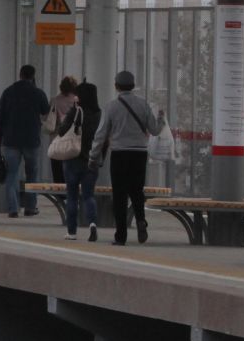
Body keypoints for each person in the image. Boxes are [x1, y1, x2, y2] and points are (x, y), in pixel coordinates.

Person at [88, 70, 164, 246]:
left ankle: (120, 236)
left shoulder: (111, 107)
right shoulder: (143, 105)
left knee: (120, 194)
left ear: (116, 86)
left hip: (120, 154)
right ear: (133, 85)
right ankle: (141, 220)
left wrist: (93, 156)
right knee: (137, 191)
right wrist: (160, 119)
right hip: (139, 153)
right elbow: (154, 130)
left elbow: (101, 135)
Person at [0, 64, 51, 218]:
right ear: (33, 76)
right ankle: (31, 207)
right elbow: (45, 111)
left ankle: (13, 208)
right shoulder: (38, 93)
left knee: (12, 174)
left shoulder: (8, 92)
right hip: (31, 139)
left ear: (20, 74)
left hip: (10, 140)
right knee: (32, 173)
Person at [58, 83, 103, 240]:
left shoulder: (75, 111)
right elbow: (103, 139)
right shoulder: (99, 114)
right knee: (89, 195)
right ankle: (92, 224)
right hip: (92, 159)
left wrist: (67, 118)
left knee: (71, 196)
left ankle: (72, 232)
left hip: (73, 159)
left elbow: (61, 131)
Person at [47, 76, 80, 183]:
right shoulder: (78, 102)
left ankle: (60, 198)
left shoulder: (55, 100)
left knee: (58, 174)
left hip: (57, 141)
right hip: (73, 142)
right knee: (73, 173)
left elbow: (49, 119)